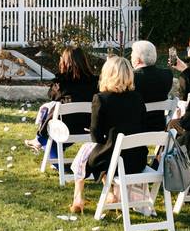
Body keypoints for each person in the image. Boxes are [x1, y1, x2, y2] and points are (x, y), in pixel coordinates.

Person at [69, 56, 146, 213]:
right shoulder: (138, 98)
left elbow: (96, 137)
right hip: (136, 158)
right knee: (104, 151)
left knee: (86, 152)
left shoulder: (101, 99)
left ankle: (78, 197)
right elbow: (142, 126)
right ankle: (111, 194)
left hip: (113, 159)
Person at [24, 47, 98, 154]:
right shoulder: (94, 82)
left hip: (65, 128)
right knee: (52, 109)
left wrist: (61, 70)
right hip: (86, 125)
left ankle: (40, 140)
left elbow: (51, 95)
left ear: (64, 62)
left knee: (49, 108)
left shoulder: (62, 83)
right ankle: (39, 140)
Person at [131, 40, 174, 132]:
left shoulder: (131, 77)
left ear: (138, 59)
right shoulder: (167, 75)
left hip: (136, 127)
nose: (131, 56)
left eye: (132, 54)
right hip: (159, 125)